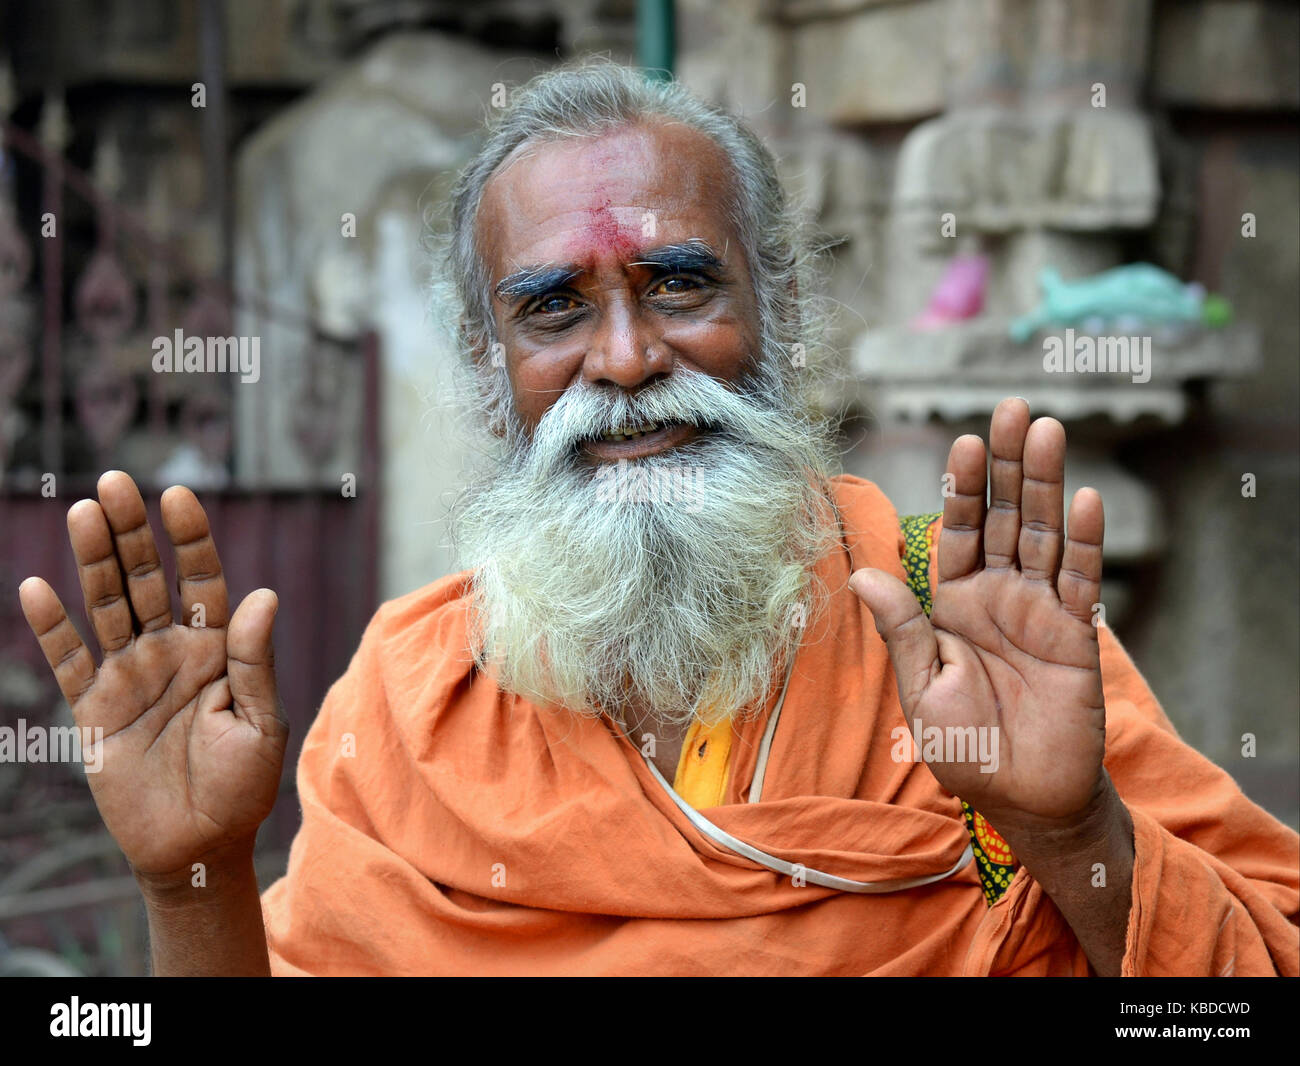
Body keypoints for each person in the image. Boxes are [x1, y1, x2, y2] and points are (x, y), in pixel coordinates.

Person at [18, 61, 1298, 976]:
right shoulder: (410, 695)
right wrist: (187, 877)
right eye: (555, 309)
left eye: (679, 283)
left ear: (781, 313)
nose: (626, 360)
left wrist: (1072, 835)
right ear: (490, 364)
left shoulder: (967, 636)